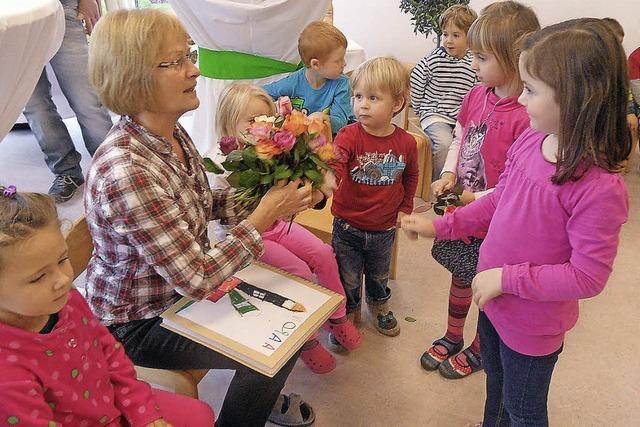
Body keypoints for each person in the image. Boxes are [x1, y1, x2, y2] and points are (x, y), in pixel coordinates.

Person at [86, 9, 315, 427]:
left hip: (177, 293)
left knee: (293, 321)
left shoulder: (170, 132)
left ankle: (257, 399)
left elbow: (203, 203)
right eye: (175, 62)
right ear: (133, 77)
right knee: (273, 348)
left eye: (188, 55)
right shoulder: (127, 170)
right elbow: (195, 278)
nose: (194, 69)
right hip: (137, 324)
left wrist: (277, 202)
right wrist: (262, 217)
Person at [402, 18, 630, 426]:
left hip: (531, 325)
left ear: (579, 97)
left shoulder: (599, 188)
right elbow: (500, 201)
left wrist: (506, 279)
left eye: (531, 90)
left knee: (523, 411)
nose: (521, 101)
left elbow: (587, 277)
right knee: (497, 392)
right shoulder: (532, 140)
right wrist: (442, 225)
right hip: (492, 301)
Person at [0, 186, 215, 426]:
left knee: (201, 414)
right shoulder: (7, 376)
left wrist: (143, 411)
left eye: (62, 260)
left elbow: (109, 353)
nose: (63, 280)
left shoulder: (69, 300)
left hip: (113, 405)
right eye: (38, 277)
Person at [418, 1, 539, 380]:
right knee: (461, 273)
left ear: (514, 57)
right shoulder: (476, 94)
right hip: (467, 212)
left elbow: (515, 187)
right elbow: (461, 137)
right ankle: (454, 334)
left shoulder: (528, 115)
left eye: (481, 57)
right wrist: (450, 173)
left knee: (488, 286)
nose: (473, 66)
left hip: (500, 221)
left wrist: (476, 198)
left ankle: (480, 347)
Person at [215, 83, 362, 374]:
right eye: (251, 120)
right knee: (299, 272)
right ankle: (304, 341)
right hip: (244, 237)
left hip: (277, 226)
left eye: (266, 120)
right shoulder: (220, 163)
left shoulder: (274, 152)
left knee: (323, 253)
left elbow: (298, 191)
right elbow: (220, 219)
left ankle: (337, 316)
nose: (260, 126)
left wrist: (317, 178)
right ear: (229, 123)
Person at [331, 57, 419, 336]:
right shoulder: (348, 135)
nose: (362, 104)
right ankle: (350, 310)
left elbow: (411, 177)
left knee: (379, 274)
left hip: (383, 228)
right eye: (357, 96)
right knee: (348, 276)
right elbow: (337, 159)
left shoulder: (406, 142)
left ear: (396, 103)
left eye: (372, 97)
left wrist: (405, 209)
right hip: (347, 225)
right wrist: (328, 175)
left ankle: (379, 305)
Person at [22, 0, 113, 203]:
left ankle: (112, 170)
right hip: (10, 19)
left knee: (86, 98)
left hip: (60, 8)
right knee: (34, 105)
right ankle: (67, 172)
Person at [410, 4, 477, 181]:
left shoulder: (474, 62)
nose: (448, 40)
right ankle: (440, 186)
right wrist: (419, 110)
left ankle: (463, 184)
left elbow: (477, 94)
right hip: (435, 114)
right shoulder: (434, 58)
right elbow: (416, 80)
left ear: (469, 38)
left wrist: (465, 122)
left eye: (456, 35)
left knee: (474, 147)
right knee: (444, 145)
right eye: (445, 34)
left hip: (460, 119)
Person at [263, 21, 355, 135]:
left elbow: (340, 123)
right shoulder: (294, 82)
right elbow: (264, 93)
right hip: (302, 143)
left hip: (332, 139)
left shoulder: (341, 83)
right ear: (316, 64)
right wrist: (273, 113)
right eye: (338, 60)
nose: (344, 64)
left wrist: (322, 118)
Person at [602, 18, 638, 157]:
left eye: (620, 44)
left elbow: (626, 90)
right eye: (614, 43)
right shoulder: (591, 63)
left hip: (618, 113)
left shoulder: (619, 63)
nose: (617, 48)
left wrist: (630, 112)